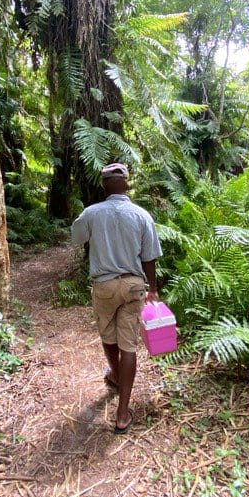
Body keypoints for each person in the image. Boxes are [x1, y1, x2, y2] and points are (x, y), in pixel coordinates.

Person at [70, 162, 162, 434]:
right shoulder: (141, 215)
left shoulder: (92, 213)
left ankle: (115, 374)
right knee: (129, 345)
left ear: (104, 185)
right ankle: (122, 414)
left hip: (104, 285)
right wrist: (153, 288)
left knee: (107, 335)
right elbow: (149, 257)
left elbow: (76, 237)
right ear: (126, 182)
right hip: (134, 285)